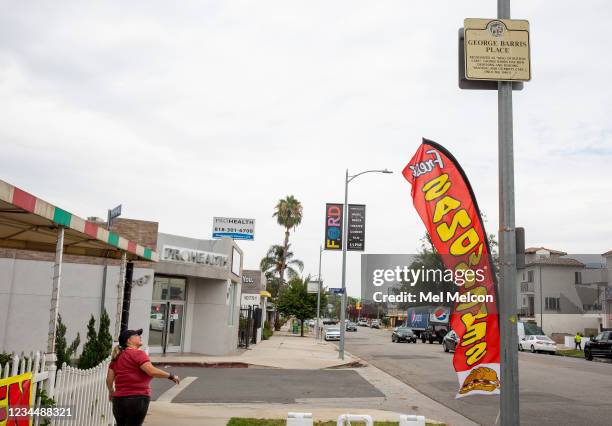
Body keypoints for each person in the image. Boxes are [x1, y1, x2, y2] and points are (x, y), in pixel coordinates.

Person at [106, 329, 180, 426]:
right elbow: (151, 371)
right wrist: (170, 376)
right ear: (129, 340)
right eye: (137, 335)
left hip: (119, 400)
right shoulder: (138, 354)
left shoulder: (116, 358)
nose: (140, 336)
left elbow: (109, 380)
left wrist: (111, 392)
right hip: (137, 399)